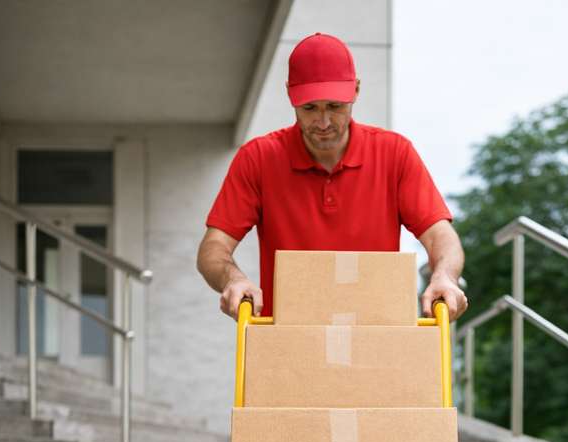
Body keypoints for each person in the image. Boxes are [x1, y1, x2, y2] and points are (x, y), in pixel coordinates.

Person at [196, 32, 467, 321]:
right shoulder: (259, 158)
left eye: (335, 107)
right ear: (290, 95)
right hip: (286, 339)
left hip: (379, 337)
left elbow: (441, 236)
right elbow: (214, 247)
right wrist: (233, 280)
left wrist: (444, 277)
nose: (323, 122)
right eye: (310, 108)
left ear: (356, 91)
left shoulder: (394, 153)